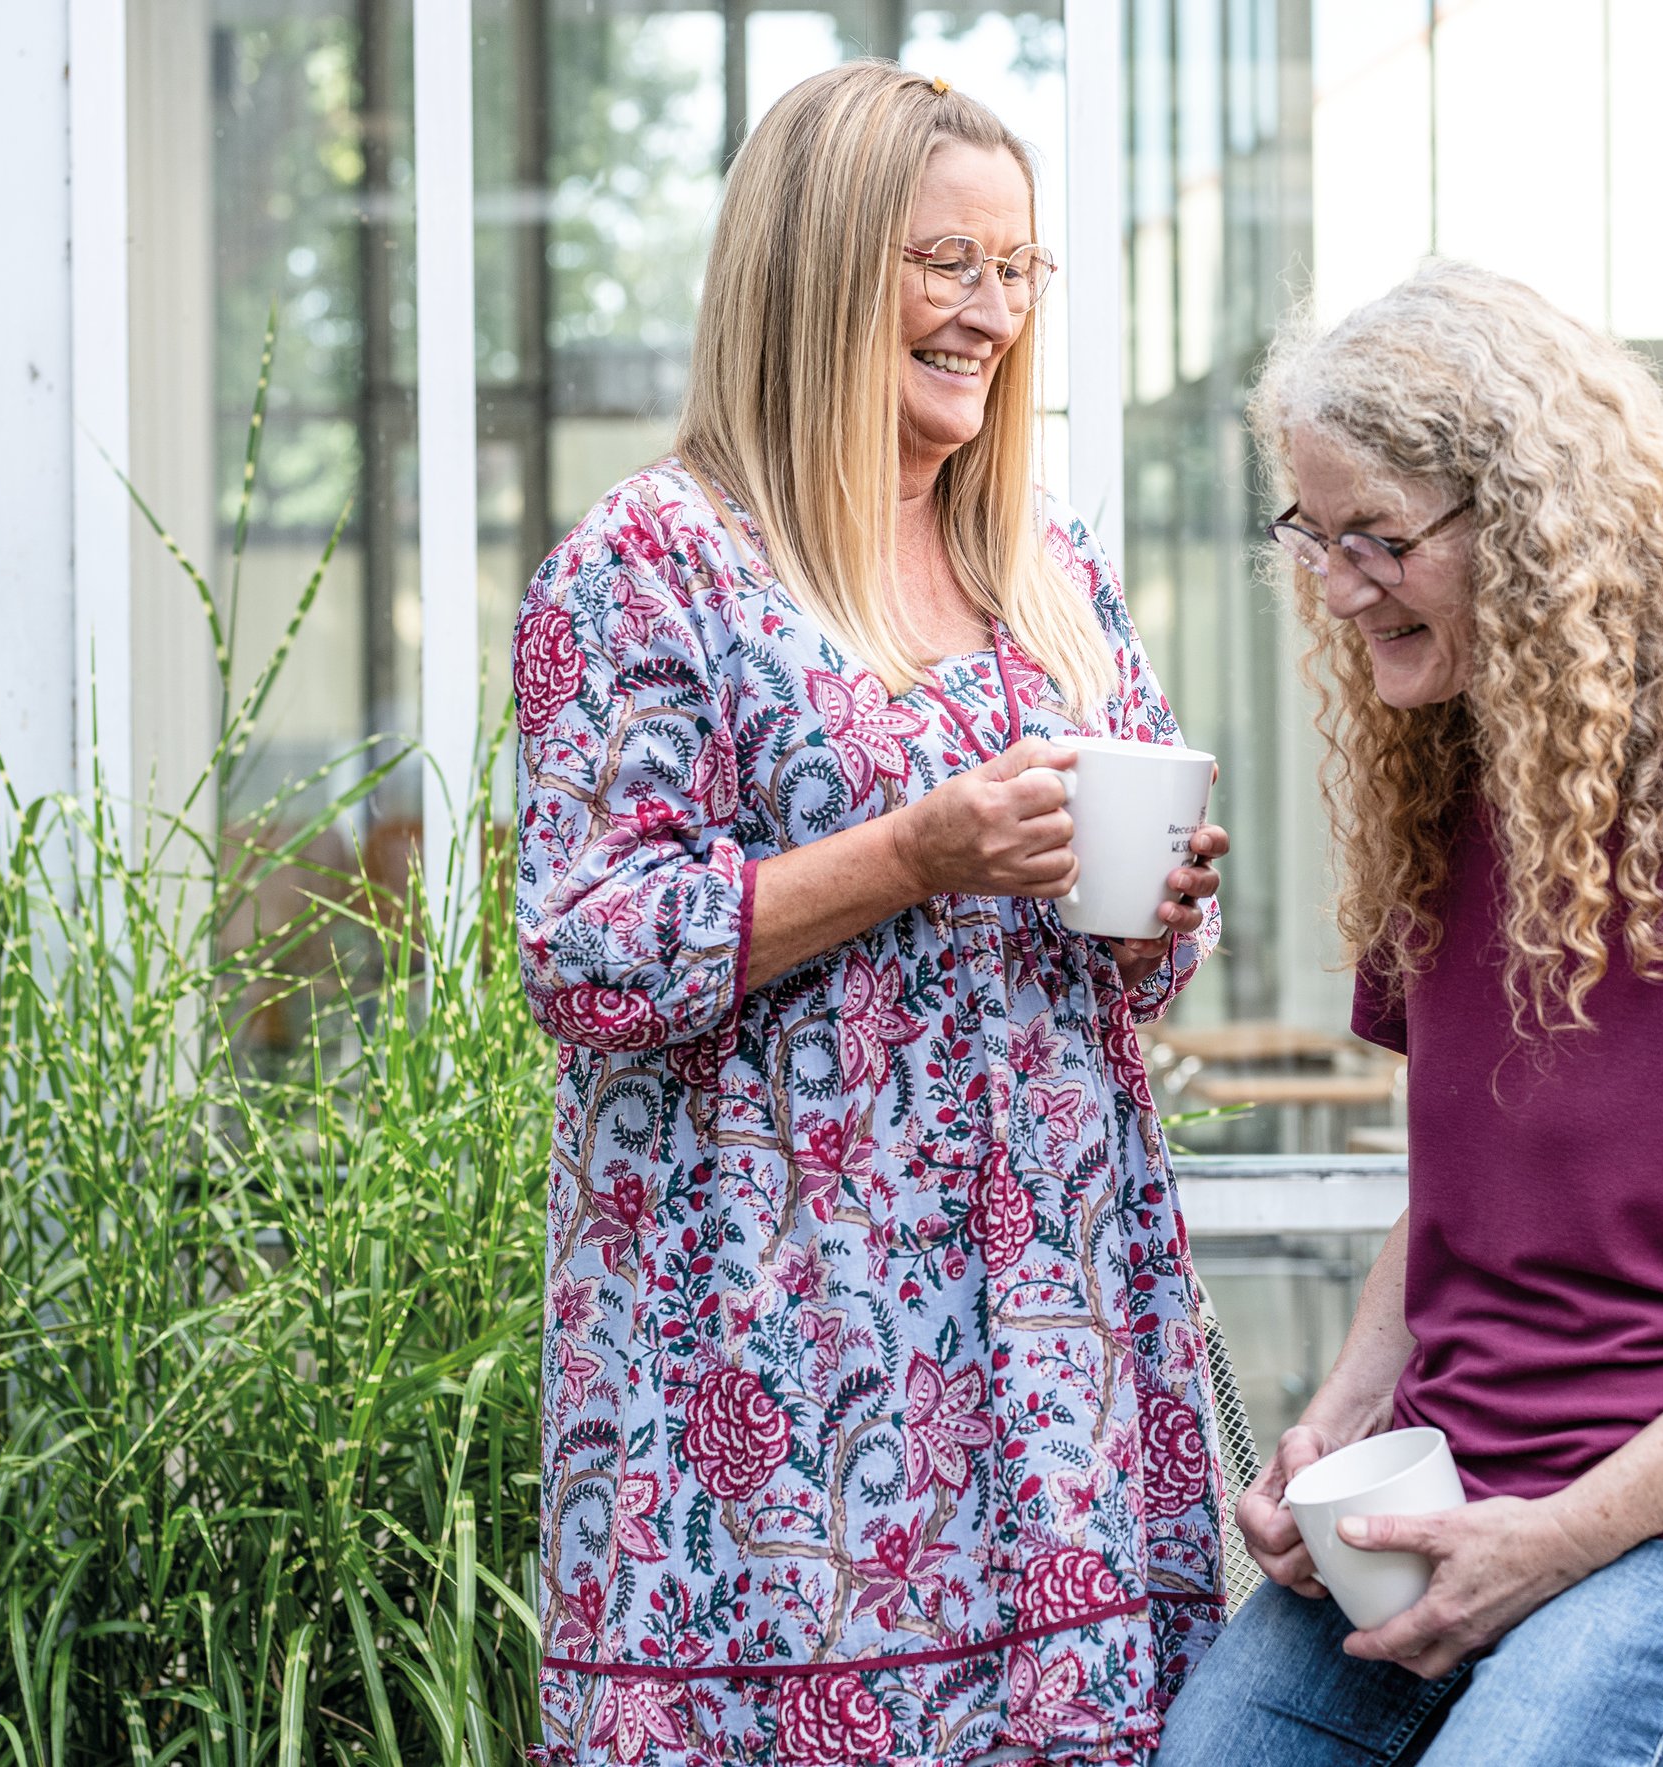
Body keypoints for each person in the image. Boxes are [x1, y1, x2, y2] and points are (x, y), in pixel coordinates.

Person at [514, 62, 1232, 1766]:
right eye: (945, 264)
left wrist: (1154, 917)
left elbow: (1124, 969)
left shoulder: (1039, 565)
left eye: (1018, 269)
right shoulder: (646, 569)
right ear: (821, 267)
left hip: (1050, 1318)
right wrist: (914, 852)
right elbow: (591, 954)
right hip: (779, 1342)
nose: (990, 312)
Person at [1156, 261, 1663, 1767]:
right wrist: (1335, 1423)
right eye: (1315, 537)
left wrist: (1561, 1540)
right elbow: (1464, 1206)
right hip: (1463, 1502)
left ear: (1529, 530)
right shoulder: (1444, 799)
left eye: (1379, 539)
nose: (1336, 589)